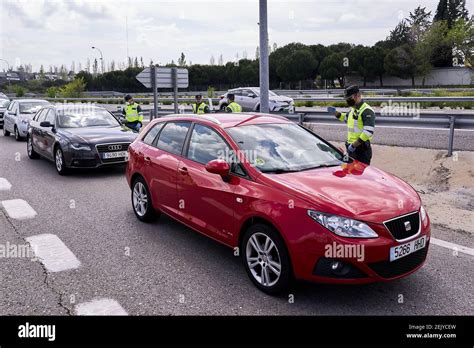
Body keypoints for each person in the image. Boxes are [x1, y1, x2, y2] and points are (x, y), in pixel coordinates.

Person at [327, 85, 375, 165]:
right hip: (352, 148)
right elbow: (344, 118)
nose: (348, 101)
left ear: (357, 95)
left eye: (349, 98)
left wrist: (353, 145)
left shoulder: (366, 111)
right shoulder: (353, 110)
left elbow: (368, 132)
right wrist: (335, 112)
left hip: (361, 150)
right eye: (347, 99)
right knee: (351, 172)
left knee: (360, 174)